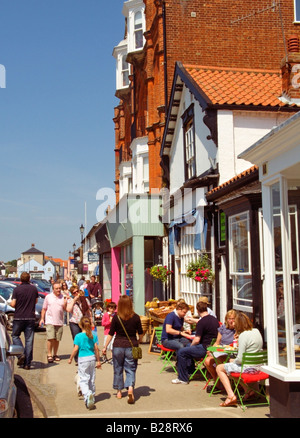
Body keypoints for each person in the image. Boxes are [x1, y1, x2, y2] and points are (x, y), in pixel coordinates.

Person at [216, 311, 263, 407]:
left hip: (248, 368)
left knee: (220, 368)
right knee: (230, 367)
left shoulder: (243, 335)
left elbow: (240, 359)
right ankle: (249, 392)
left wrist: (233, 360)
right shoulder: (256, 331)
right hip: (259, 366)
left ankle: (230, 396)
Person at [102, 295, 143, 404]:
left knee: (118, 368)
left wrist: (105, 346)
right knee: (131, 368)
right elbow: (140, 332)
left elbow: (111, 333)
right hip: (131, 345)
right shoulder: (136, 317)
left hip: (118, 345)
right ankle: (130, 388)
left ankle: (119, 391)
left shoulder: (116, 317)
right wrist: (138, 341)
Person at [172, 300, 220, 384]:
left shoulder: (201, 322)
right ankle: (190, 371)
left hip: (204, 348)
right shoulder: (215, 320)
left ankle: (183, 378)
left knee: (181, 351)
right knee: (187, 348)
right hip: (212, 347)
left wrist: (191, 345)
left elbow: (197, 340)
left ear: (198, 310)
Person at [68, 316, 101, 410]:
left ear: (80, 325)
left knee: (83, 379)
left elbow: (76, 349)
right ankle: (92, 395)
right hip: (92, 359)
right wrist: (98, 361)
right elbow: (96, 349)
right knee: (91, 378)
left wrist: (70, 358)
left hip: (83, 359)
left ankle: (87, 395)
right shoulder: (93, 336)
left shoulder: (78, 336)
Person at [10, 272, 39, 370]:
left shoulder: (17, 289)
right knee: (29, 340)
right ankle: (27, 363)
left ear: (21, 279)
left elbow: (13, 304)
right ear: (29, 279)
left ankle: (20, 354)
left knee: (15, 335)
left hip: (19, 316)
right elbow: (35, 301)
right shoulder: (34, 289)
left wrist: (11, 303)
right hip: (30, 317)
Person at [204, 309, 236, 391]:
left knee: (219, 360)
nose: (231, 321)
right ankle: (218, 382)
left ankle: (220, 384)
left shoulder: (238, 329)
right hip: (221, 351)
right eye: (229, 318)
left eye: (233, 318)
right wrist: (212, 350)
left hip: (232, 354)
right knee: (207, 361)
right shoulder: (223, 328)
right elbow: (217, 343)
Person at [40, 281, 68, 363]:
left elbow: (65, 309)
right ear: (53, 289)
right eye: (57, 288)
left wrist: (66, 303)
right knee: (50, 338)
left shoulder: (63, 297)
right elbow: (44, 308)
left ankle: (55, 354)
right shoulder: (48, 297)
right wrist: (42, 318)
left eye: (59, 288)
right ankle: (49, 354)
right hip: (50, 321)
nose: (58, 290)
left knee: (57, 339)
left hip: (59, 321)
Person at [66, 286, 92, 364]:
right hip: (74, 322)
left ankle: (85, 355)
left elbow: (88, 311)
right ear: (72, 294)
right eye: (74, 292)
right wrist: (74, 300)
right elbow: (68, 309)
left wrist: (91, 320)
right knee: (77, 339)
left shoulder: (85, 299)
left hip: (84, 322)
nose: (77, 293)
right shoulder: (70, 300)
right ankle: (77, 358)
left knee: (86, 338)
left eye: (77, 291)